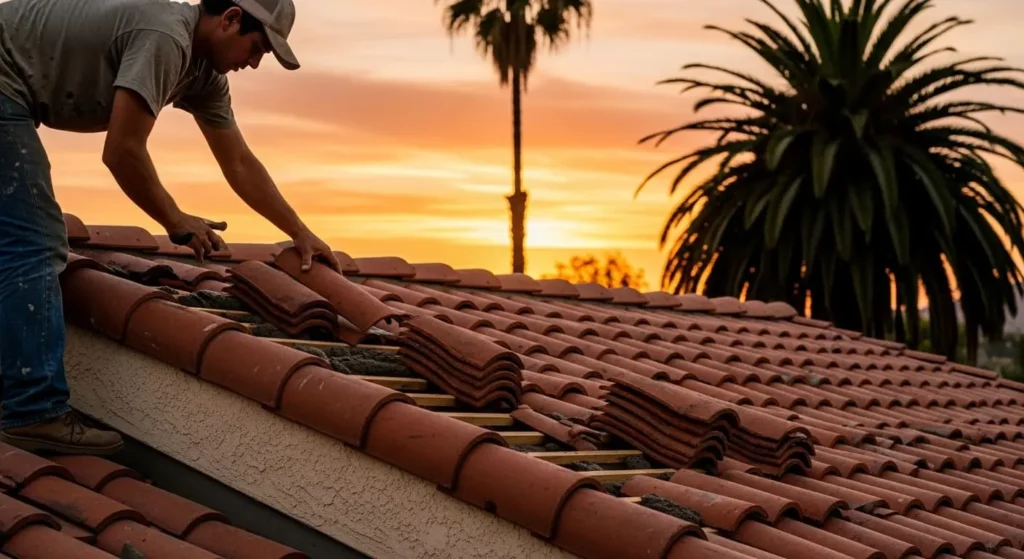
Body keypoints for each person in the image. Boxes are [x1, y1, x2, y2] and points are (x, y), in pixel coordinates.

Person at [0, 0, 343, 455]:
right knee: (35, 241)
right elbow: (122, 151)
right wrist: (175, 220)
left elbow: (238, 162)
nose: (254, 63)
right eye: (257, 47)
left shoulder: (205, 77)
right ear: (230, 19)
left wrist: (299, 231)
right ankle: (34, 412)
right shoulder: (167, 37)